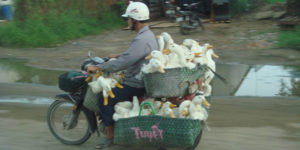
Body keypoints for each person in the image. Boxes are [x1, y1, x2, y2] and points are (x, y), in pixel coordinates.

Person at [87, 1, 159, 149]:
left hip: (136, 84)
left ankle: (109, 137)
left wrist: (99, 67)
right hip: (142, 80)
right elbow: (134, 55)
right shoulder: (149, 35)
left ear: (135, 20)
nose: (128, 21)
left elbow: (121, 64)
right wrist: (119, 55)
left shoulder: (140, 39)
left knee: (103, 98)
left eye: (129, 18)